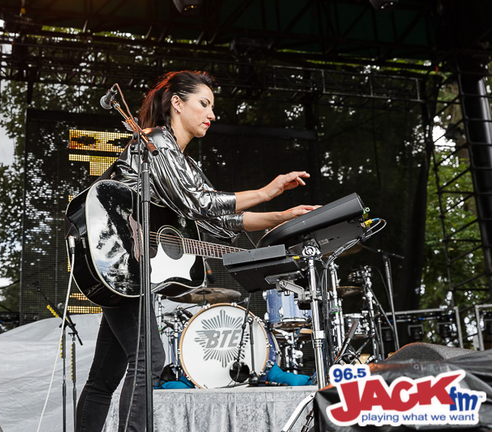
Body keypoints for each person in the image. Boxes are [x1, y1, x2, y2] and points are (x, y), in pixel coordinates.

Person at [74, 70, 319, 432]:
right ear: (176, 103)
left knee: (103, 379)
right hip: (119, 255)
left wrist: (280, 216)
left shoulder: (186, 165)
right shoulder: (155, 143)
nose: (212, 114)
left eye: (212, 107)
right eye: (204, 104)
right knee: (149, 359)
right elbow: (202, 202)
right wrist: (268, 191)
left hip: (133, 271)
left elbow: (221, 223)